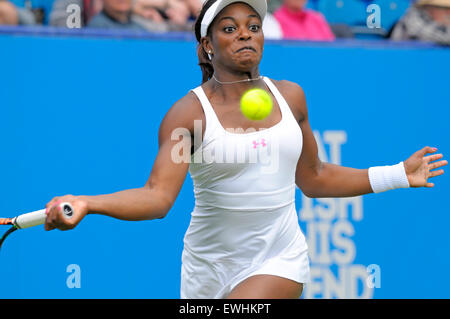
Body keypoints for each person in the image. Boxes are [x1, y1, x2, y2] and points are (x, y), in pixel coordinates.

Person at [44, 0, 447, 299]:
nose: (245, 35)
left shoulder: (291, 98)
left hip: (280, 259)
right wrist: (87, 203)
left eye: (254, 26)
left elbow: (315, 177)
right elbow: (157, 197)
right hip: (205, 271)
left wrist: (397, 174)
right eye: (230, 28)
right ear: (207, 46)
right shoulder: (188, 116)